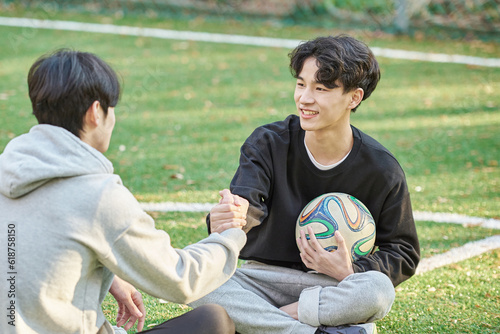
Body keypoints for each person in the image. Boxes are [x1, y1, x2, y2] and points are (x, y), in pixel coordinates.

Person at [0, 49, 249, 334]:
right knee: (213, 321)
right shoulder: (97, 195)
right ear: (96, 112)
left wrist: (109, 273)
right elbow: (182, 279)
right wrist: (227, 234)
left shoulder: (7, 170)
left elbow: (27, 251)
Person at [189, 35, 420, 334]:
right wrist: (233, 216)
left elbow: (403, 250)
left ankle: (268, 323)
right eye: (301, 84)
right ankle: (309, 330)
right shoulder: (268, 142)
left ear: (354, 97)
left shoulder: (381, 169)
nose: (305, 98)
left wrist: (352, 270)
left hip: (333, 288)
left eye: (321, 89)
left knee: (378, 291)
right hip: (263, 280)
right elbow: (249, 204)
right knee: (199, 279)